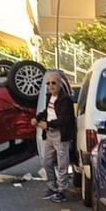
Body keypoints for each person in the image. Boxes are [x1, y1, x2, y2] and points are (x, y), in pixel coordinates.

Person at [36, 72, 76, 203]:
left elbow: (66, 119)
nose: (51, 86)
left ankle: (62, 191)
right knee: (46, 162)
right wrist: (37, 119)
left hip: (60, 134)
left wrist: (48, 124)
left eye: (53, 83)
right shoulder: (49, 97)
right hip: (48, 134)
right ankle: (52, 187)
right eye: (48, 83)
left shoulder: (66, 100)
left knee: (62, 163)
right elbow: (47, 112)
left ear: (60, 84)